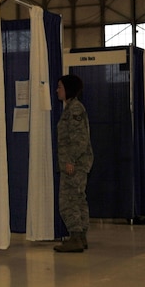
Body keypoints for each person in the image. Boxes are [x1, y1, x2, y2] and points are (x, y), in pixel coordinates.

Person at [54, 74, 93, 253]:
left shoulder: (74, 109)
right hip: (77, 163)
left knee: (68, 201)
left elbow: (79, 140)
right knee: (78, 199)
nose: (57, 90)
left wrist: (70, 161)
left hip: (74, 165)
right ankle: (80, 237)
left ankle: (76, 236)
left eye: (60, 87)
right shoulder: (72, 108)